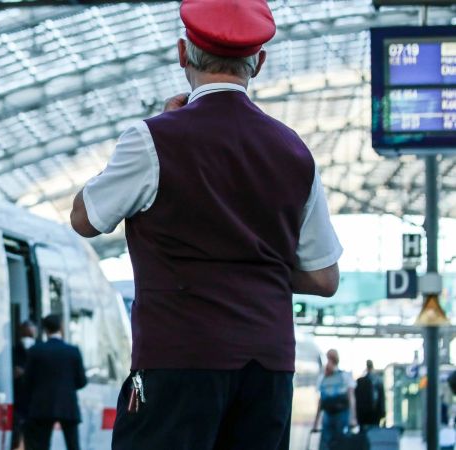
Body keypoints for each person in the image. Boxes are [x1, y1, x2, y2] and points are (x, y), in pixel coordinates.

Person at [69, 0, 342, 447]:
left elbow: (84, 219)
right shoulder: (295, 154)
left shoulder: (155, 138)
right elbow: (323, 276)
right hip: (266, 373)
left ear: (182, 54)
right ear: (259, 61)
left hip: (177, 364)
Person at [23, 314, 87, 450]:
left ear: (45, 330)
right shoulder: (73, 351)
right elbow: (82, 382)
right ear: (61, 328)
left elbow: (27, 382)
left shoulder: (35, 351)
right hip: (67, 406)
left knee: (41, 446)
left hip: (41, 407)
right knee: (73, 445)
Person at [313, 349, 357, 450]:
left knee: (339, 442)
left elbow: (351, 398)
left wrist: (353, 418)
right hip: (328, 414)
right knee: (328, 443)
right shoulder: (323, 377)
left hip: (341, 414)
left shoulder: (344, 376)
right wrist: (316, 422)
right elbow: (321, 400)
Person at [12, 320, 38, 449]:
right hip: (19, 400)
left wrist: (25, 372)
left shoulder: (40, 349)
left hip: (35, 402)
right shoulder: (12, 351)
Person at [355, 359, 386, 429]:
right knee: (374, 431)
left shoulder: (360, 381)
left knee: (365, 432)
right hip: (374, 412)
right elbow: (381, 398)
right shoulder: (378, 380)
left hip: (364, 413)